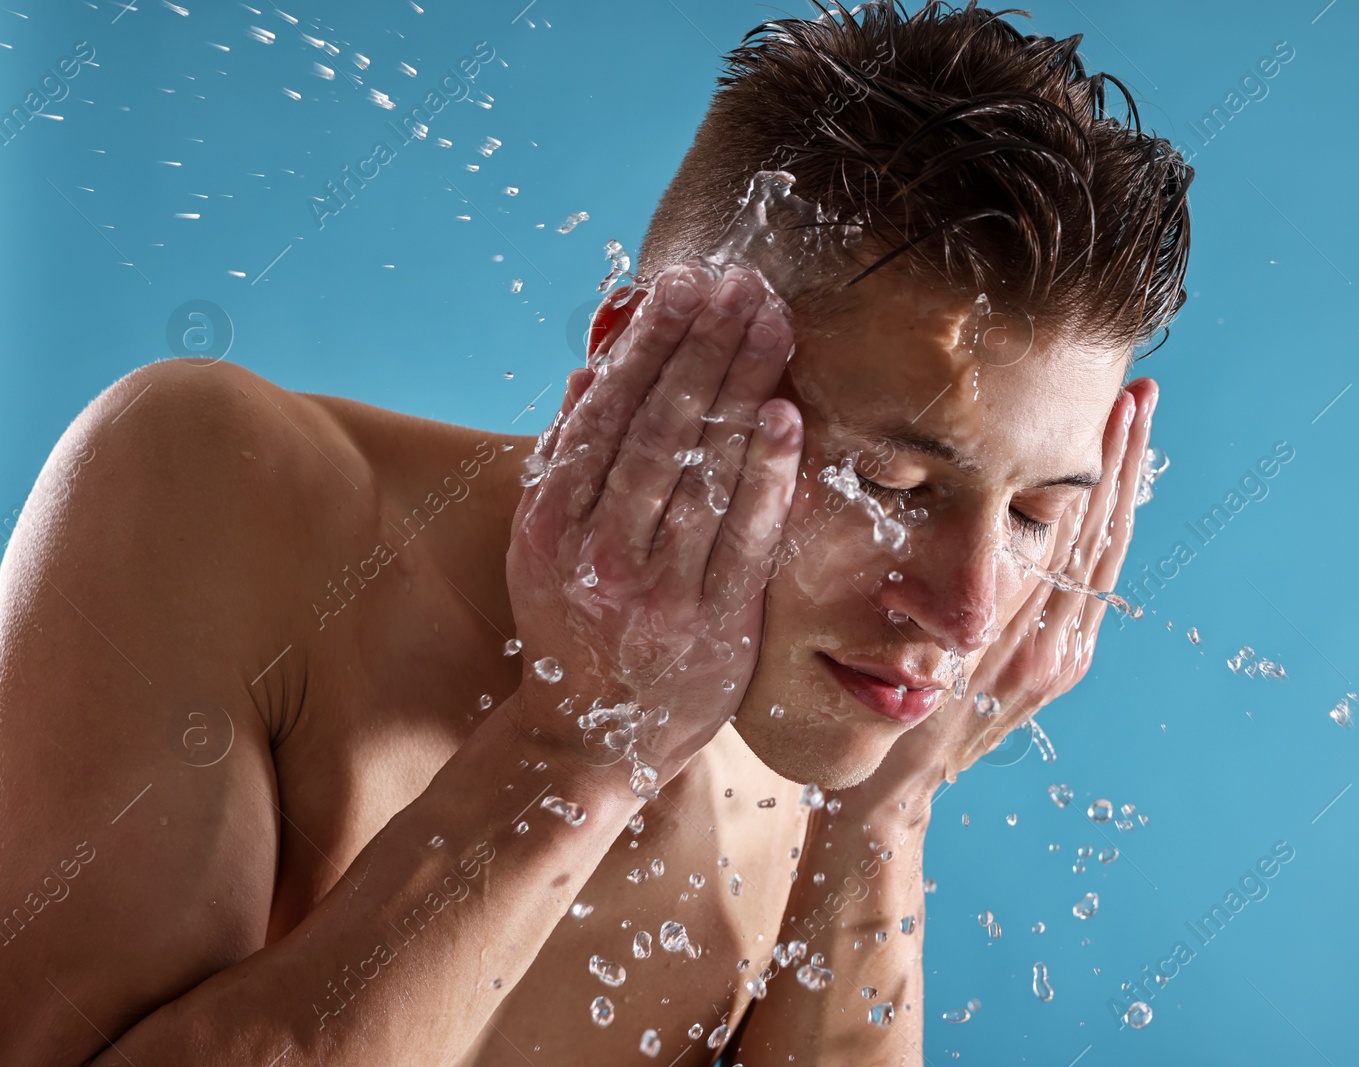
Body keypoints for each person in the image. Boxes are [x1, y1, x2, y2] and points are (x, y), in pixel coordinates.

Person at [0, 2, 1190, 1063]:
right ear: (637, 359)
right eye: (892, 481)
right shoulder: (219, 482)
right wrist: (577, 747)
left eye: (1039, 512)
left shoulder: (809, 744)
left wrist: (881, 811)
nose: (971, 611)